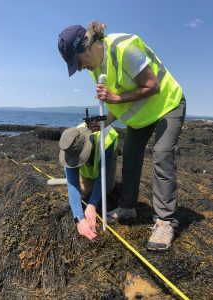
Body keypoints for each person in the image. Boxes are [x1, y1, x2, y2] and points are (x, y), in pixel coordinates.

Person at [58, 21, 186, 250]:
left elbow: (152, 85)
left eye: (78, 62)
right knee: (130, 154)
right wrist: (104, 122)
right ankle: (127, 207)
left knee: (162, 154)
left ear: (86, 46)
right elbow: (115, 108)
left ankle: (165, 221)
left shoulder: (124, 48)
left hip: (168, 104)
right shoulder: (95, 69)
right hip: (142, 116)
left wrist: (115, 98)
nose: (79, 68)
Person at [59, 123, 118, 240]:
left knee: (107, 189)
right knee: (87, 190)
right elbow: (72, 182)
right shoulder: (70, 146)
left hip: (107, 152)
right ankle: (88, 176)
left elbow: (103, 176)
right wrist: (79, 218)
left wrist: (92, 205)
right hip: (89, 157)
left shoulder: (106, 139)